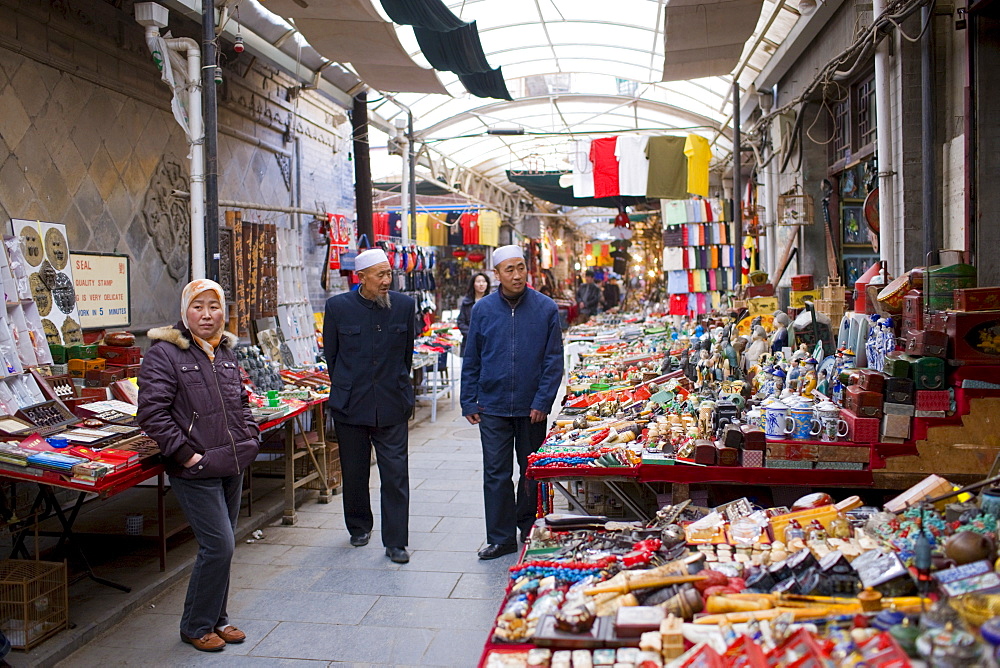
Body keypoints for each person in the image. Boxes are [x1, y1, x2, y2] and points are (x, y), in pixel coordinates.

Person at [138, 279, 260, 653]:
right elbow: (152, 414)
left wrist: (250, 436)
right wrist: (188, 455)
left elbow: (240, 399)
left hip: (232, 462)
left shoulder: (224, 351)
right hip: (196, 468)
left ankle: (217, 618)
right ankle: (195, 625)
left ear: (224, 311)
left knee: (226, 546)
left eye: (214, 306)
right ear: (184, 312)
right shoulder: (164, 353)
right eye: (198, 306)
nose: (207, 314)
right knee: (217, 546)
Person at [462, 245, 564, 560]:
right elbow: (472, 357)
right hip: (491, 405)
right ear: (497, 274)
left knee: (531, 470)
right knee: (495, 472)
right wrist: (469, 401)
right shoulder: (483, 310)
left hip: (531, 406)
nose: (517, 275)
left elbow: (553, 360)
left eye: (520, 267)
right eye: (510, 269)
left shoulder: (545, 308)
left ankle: (530, 528)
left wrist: (543, 401)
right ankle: (500, 537)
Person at [323, 248, 415, 564]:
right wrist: (349, 386)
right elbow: (332, 358)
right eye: (381, 275)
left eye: (389, 274)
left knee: (395, 474)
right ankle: (359, 526)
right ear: (361, 278)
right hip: (351, 405)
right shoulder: (338, 307)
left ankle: (396, 541)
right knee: (355, 470)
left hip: (392, 403)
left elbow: (407, 355)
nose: (387, 280)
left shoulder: (404, 306)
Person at [456, 272, 491, 356]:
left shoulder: (492, 302)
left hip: (488, 344)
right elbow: (461, 322)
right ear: (473, 284)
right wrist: (472, 335)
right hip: (469, 343)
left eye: (484, 281)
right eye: (478, 281)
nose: (481, 284)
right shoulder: (466, 302)